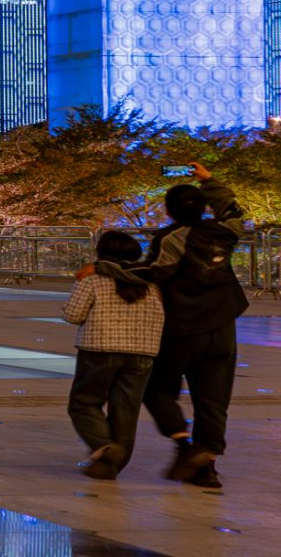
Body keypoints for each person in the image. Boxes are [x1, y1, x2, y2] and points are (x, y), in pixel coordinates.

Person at [95, 172, 250, 489]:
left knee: (157, 391)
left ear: (169, 212)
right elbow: (234, 210)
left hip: (183, 328)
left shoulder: (172, 238)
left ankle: (184, 446)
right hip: (223, 327)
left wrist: (104, 266)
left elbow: (152, 271)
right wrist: (210, 181)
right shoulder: (223, 232)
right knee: (213, 401)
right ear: (204, 208)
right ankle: (206, 467)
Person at [62, 230, 163, 480]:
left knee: (84, 402)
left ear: (101, 253)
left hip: (99, 349)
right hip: (142, 351)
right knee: (126, 411)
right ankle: (108, 466)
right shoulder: (150, 283)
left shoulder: (91, 278)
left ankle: (104, 446)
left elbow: (73, 314)